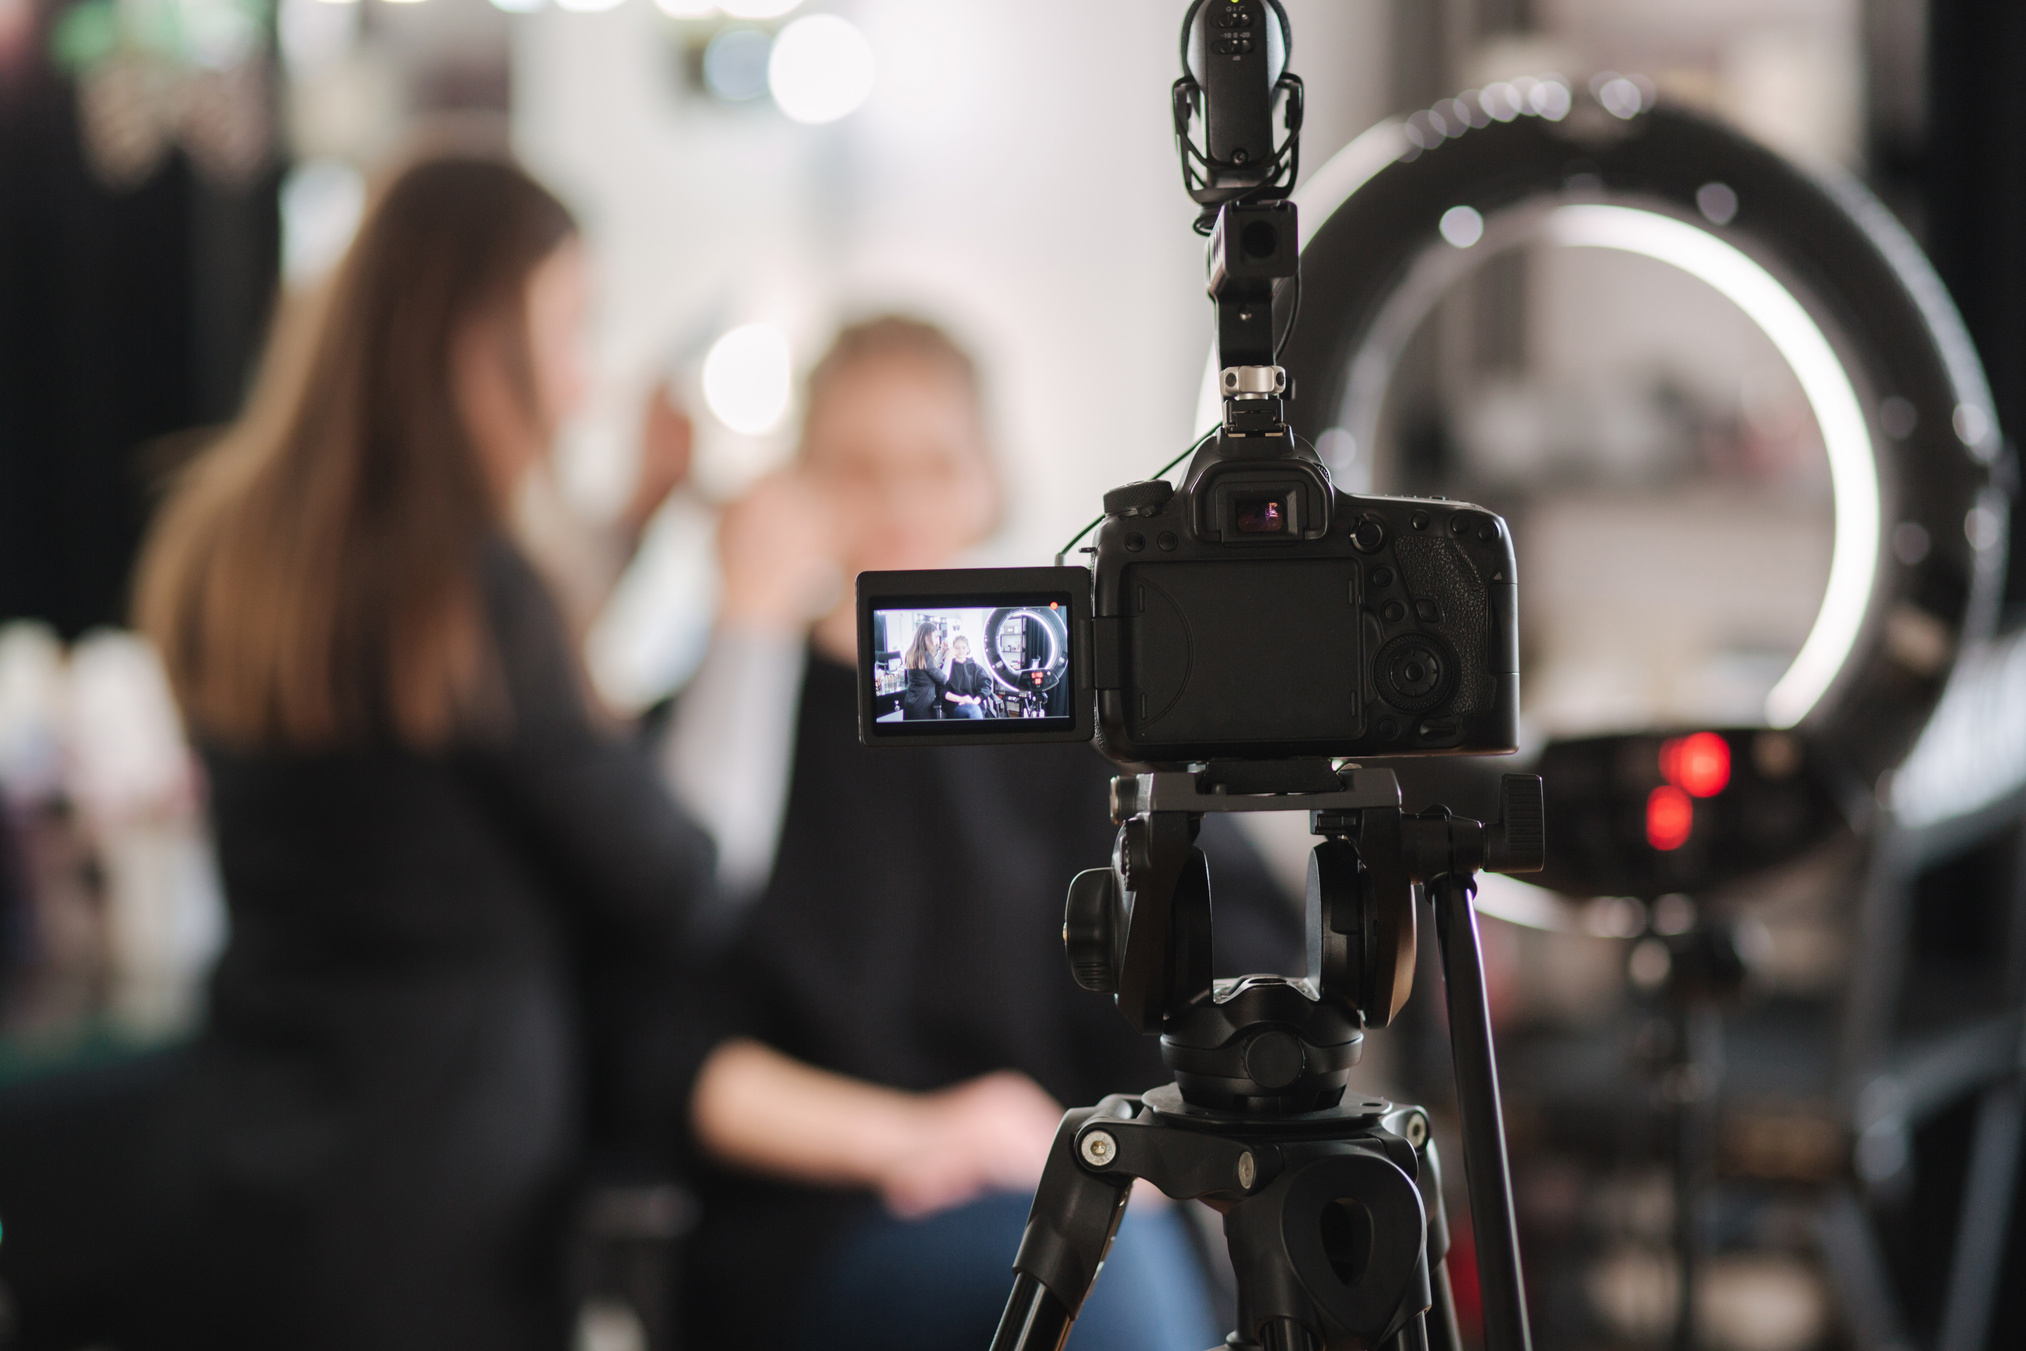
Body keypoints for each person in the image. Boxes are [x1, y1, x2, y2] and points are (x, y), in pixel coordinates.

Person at [1, 154, 716, 1351]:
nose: (583, 378)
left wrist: (633, 523)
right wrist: (740, 620)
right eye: (569, 328)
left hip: (243, 1155)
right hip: (443, 1198)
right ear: (486, 343)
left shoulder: (226, 541)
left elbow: (462, 749)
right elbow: (671, 881)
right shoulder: (470, 588)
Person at [663, 316, 1301, 1351]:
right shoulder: (725, 732)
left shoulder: (1074, 735)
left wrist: (1131, 1151)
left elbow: (1237, 971)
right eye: (858, 467)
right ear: (798, 485)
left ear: (985, 479)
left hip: (1069, 1185)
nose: (902, 502)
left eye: (935, 463)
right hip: (821, 1228)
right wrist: (926, 1137)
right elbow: (669, 1053)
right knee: (1103, 1277)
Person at [900, 620, 949, 719]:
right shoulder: (926, 656)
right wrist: (948, 659)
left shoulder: (911, 653)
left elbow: (929, 667)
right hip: (923, 707)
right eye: (935, 637)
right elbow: (943, 679)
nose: (937, 641)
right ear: (927, 637)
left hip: (911, 704)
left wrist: (942, 652)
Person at [944, 634, 991, 718]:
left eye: (963, 647)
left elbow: (986, 687)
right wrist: (961, 699)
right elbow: (942, 691)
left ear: (968, 649)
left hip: (975, 705)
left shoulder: (977, 668)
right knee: (973, 710)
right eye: (957, 648)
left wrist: (974, 702)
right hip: (955, 706)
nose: (960, 650)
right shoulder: (947, 668)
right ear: (953, 650)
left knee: (974, 710)